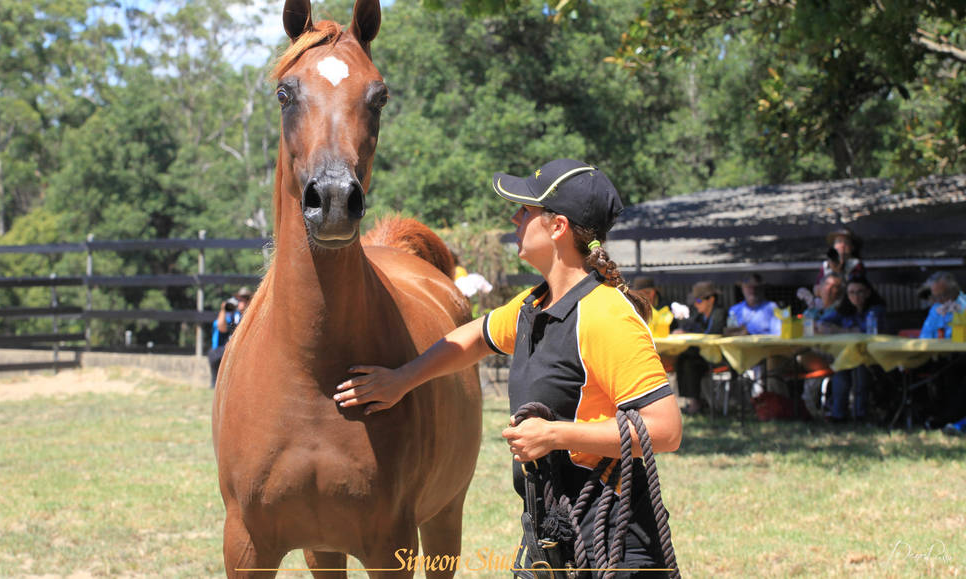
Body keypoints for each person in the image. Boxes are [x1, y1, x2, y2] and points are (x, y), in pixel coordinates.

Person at [334, 159, 682, 576]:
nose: (516, 217)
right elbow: (476, 337)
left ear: (558, 228)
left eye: (527, 210)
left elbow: (665, 429)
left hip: (612, 540)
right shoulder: (533, 306)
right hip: (553, 530)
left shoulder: (606, 314)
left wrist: (555, 435)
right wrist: (401, 380)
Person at [826, 275, 885, 422]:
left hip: (872, 356)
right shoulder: (844, 310)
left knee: (861, 372)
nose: (856, 296)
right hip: (848, 354)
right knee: (840, 373)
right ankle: (838, 415)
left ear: (868, 293)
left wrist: (837, 330)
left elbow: (863, 331)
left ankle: (861, 414)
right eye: (851, 292)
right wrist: (829, 327)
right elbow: (823, 322)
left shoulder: (876, 310)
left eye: (860, 292)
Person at [672, 281, 725, 415]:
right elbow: (690, 326)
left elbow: (714, 333)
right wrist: (682, 329)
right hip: (704, 355)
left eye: (699, 300)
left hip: (718, 356)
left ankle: (696, 403)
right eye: (695, 301)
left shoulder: (719, 313)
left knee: (690, 363)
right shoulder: (700, 315)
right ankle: (691, 400)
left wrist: (689, 333)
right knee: (682, 359)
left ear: (711, 300)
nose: (696, 304)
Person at [208, 286, 251, 387]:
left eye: (245, 298)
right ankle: (215, 383)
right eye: (239, 299)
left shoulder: (253, 315)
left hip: (246, 348)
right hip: (231, 347)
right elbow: (221, 328)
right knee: (214, 353)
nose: (242, 301)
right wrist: (223, 310)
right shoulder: (233, 315)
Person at [919, 272, 966, 339]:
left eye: (944, 294)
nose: (940, 300)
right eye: (936, 297)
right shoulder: (935, 308)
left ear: (954, 290)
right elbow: (924, 336)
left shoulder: (963, 303)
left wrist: (958, 312)